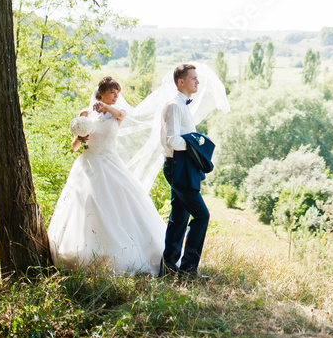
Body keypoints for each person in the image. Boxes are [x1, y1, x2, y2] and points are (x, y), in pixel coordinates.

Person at [47, 76, 166, 275]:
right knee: (86, 208)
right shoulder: (85, 115)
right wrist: (80, 137)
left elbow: (120, 114)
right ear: (101, 93)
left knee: (117, 206)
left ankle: (124, 252)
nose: (116, 96)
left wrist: (105, 107)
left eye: (117, 93)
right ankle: (86, 253)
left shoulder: (116, 114)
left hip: (110, 164)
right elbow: (75, 146)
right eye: (112, 92)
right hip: (88, 165)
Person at [159, 63, 213, 278]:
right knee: (202, 215)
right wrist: (195, 143)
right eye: (193, 78)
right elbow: (172, 141)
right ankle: (188, 269)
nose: (197, 81)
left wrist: (194, 140)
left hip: (182, 166)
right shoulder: (173, 105)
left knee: (179, 219)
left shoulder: (183, 105)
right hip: (177, 167)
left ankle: (169, 269)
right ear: (181, 82)